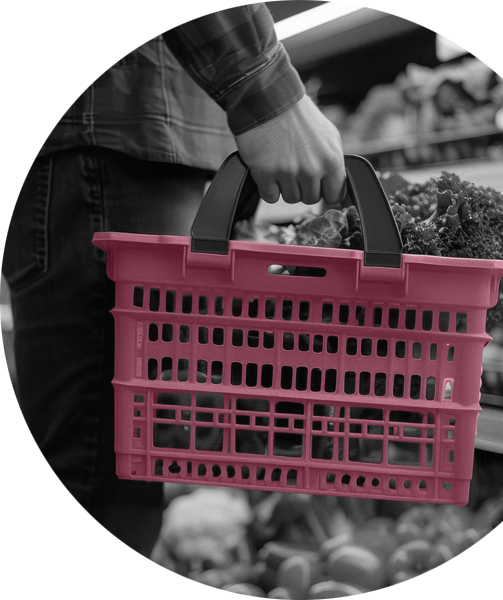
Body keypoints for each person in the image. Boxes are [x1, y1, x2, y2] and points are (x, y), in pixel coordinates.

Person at [0, 1, 346, 598]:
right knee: (94, 511)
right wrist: (267, 90)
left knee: (71, 486)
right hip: (110, 129)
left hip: (95, 140)